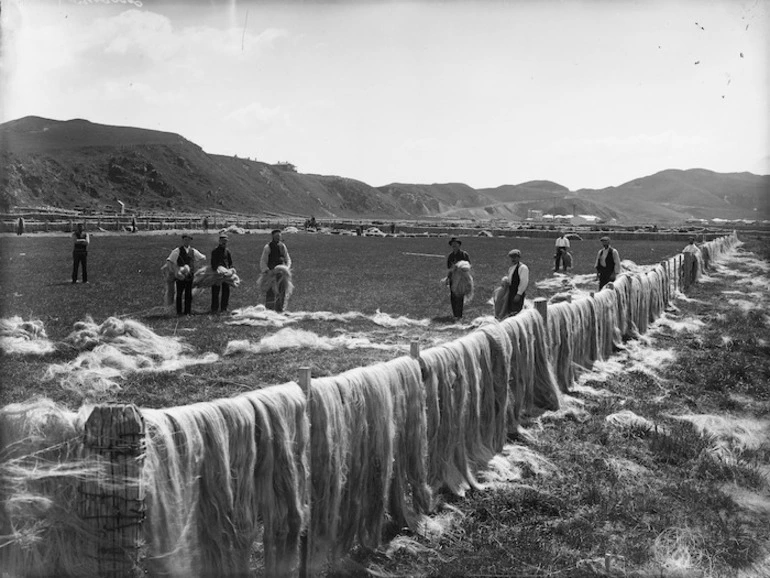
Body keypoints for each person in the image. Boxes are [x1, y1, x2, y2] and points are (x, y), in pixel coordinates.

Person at [166, 233, 206, 316]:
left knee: (188, 294)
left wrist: (197, 265)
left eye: (188, 240)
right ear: (183, 240)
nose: (187, 241)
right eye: (185, 240)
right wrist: (174, 271)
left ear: (190, 241)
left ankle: (187, 311)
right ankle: (179, 311)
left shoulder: (193, 251)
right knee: (179, 294)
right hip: (180, 276)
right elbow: (170, 260)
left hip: (190, 276)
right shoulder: (177, 251)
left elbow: (202, 257)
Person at [259, 229, 292, 312]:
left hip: (282, 273)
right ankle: (269, 309)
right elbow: (263, 260)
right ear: (273, 236)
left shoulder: (283, 246)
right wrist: (267, 270)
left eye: (279, 236)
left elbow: (287, 258)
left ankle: (280, 309)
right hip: (272, 273)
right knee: (271, 291)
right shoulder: (268, 247)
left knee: (282, 290)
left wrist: (287, 268)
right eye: (276, 236)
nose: (278, 237)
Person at [446, 237, 471, 320]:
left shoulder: (464, 255)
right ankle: (455, 315)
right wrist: (448, 278)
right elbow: (449, 268)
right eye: (452, 244)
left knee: (460, 296)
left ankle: (459, 315)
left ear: (459, 245)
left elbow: (468, 266)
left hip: (461, 278)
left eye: (455, 243)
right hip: (453, 278)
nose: (454, 245)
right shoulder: (450, 256)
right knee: (453, 296)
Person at [501, 249, 529, 317]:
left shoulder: (523, 268)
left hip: (516, 292)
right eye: (511, 257)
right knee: (510, 310)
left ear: (519, 257)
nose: (513, 259)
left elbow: (524, 282)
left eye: (515, 257)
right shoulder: (511, 268)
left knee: (516, 311)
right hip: (511, 292)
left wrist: (519, 294)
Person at [210, 233, 234, 314]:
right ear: (219, 241)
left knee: (226, 291)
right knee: (215, 291)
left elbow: (230, 262)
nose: (224, 243)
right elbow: (213, 263)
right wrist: (217, 270)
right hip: (217, 274)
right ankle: (214, 308)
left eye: (225, 241)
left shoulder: (227, 251)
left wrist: (230, 270)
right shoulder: (215, 251)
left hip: (226, 274)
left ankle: (224, 308)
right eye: (222, 241)